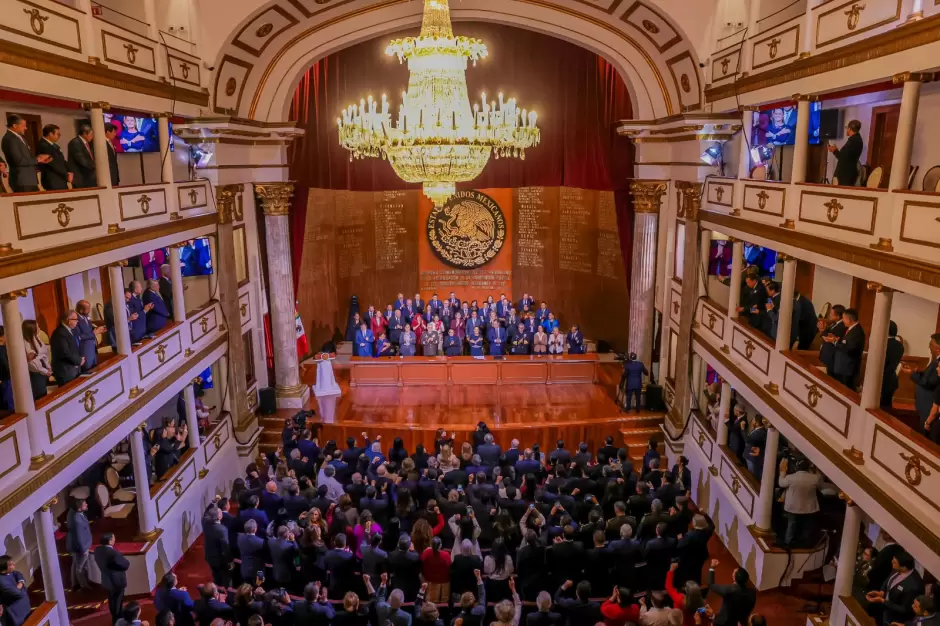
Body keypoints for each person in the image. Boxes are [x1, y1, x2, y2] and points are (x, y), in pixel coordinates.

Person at [866, 552, 924, 626]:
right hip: (884, 611)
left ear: (904, 567)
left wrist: (883, 601)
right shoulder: (896, 569)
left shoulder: (914, 586)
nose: (891, 562)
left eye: (894, 562)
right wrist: (882, 592)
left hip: (895, 619)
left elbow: (904, 609)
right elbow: (888, 580)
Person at [777, 457, 821, 547]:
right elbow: (820, 482)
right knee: (807, 526)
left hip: (793, 507)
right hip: (809, 508)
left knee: (791, 524)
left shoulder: (790, 478)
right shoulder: (815, 478)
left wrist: (782, 472)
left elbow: (781, 483)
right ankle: (805, 543)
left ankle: (788, 541)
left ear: (796, 467)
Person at [2, 114, 51, 192]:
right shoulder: (10, 139)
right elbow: (19, 161)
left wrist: (40, 159)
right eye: (23, 125)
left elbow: (26, 158)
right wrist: (37, 160)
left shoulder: (19, 137)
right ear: (15, 125)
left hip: (29, 180)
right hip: (22, 180)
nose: (26, 128)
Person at [905, 334, 940, 431]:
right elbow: (928, 376)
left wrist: (912, 374)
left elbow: (929, 382)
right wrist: (917, 371)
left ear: (938, 349)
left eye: (931, 344)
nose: (929, 346)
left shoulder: (938, 362)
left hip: (928, 404)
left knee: (924, 433)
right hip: (924, 403)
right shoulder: (935, 361)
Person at [706, 560, 757, 626]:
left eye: (733, 572)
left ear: (734, 578)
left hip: (726, 622)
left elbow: (711, 585)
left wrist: (712, 568)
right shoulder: (753, 593)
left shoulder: (728, 590)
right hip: (741, 621)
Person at [95, 533, 130, 624]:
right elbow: (125, 564)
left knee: (111, 600)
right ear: (110, 541)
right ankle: (118, 620)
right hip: (117, 581)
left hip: (106, 580)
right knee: (118, 602)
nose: (115, 540)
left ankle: (115, 617)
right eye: (114, 538)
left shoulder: (97, 550)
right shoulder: (113, 553)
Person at [830, 308, 865, 390]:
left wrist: (835, 343)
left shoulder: (857, 332)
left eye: (843, 318)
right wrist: (837, 340)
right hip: (843, 367)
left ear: (849, 320)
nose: (842, 320)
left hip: (848, 368)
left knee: (846, 390)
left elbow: (849, 348)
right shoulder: (851, 329)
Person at [50, 310, 85, 386]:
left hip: (73, 367)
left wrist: (78, 360)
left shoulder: (70, 330)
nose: (77, 322)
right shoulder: (59, 333)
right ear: (69, 321)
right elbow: (65, 352)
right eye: (75, 320)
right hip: (65, 370)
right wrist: (78, 361)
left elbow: (73, 348)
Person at [67, 498, 94, 591]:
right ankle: (84, 585)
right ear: (79, 508)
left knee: (75, 564)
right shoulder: (77, 520)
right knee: (80, 568)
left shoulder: (76, 514)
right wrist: (84, 549)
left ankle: (75, 584)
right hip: (81, 547)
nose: (86, 504)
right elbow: (79, 536)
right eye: (84, 504)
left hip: (77, 546)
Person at [203, 505, 233, 587]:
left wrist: (213, 502)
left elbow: (205, 514)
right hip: (220, 559)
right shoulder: (222, 530)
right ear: (219, 517)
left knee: (215, 575)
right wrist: (230, 560)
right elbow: (225, 547)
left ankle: (217, 587)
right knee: (226, 576)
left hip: (209, 556)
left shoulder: (205, 523)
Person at [36, 124, 73, 191]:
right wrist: (66, 174)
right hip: (52, 179)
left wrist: (70, 171)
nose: (59, 136)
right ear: (50, 134)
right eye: (58, 134)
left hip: (60, 178)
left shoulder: (54, 145)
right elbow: (53, 163)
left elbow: (61, 160)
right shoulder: (43, 145)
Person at [22, 320, 52, 400]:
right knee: (40, 395)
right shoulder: (26, 343)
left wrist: (48, 366)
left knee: (44, 393)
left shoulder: (37, 338)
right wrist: (45, 371)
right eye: (37, 327)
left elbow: (44, 354)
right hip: (36, 373)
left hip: (43, 370)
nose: (39, 328)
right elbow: (32, 363)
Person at [828, 119, 863, 186]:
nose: (846, 130)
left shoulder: (854, 141)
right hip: (847, 173)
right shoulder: (856, 139)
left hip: (846, 175)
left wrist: (834, 151)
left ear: (849, 128)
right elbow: (847, 155)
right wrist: (836, 150)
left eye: (847, 128)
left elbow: (843, 157)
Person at [76, 300, 105, 372]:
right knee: (88, 371)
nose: (89, 311)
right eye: (88, 309)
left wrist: (98, 329)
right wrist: (94, 333)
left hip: (93, 348)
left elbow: (89, 329)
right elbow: (79, 337)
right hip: (85, 350)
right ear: (81, 310)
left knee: (95, 369)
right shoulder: (76, 320)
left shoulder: (86, 316)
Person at [0, 555, 30, 626]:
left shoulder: (9, 572)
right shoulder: (2, 582)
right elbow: (19, 594)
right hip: (16, 614)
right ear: (4, 569)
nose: (14, 564)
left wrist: (20, 582)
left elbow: (17, 573)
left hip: (23, 610)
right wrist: (22, 586)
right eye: (10, 564)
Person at [881, 321, 905, 409]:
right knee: (886, 406)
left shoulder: (883, 344)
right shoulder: (899, 345)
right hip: (891, 380)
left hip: (882, 381)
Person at [818, 304, 846, 377]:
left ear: (838, 316)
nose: (830, 315)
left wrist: (823, 331)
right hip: (826, 355)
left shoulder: (842, 326)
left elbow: (829, 337)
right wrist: (822, 331)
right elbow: (825, 333)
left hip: (832, 357)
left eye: (832, 314)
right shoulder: (834, 323)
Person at [68, 123, 98, 188]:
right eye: (91, 134)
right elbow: (82, 160)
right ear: (84, 133)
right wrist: (96, 167)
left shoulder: (86, 143)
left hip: (88, 177)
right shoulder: (75, 142)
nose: (92, 137)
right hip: (81, 178)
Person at [105, 122, 120, 186]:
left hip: (114, 178)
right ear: (108, 132)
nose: (115, 134)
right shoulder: (103, 143)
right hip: (108, 178)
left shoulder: (111, 143)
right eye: (114, 132)